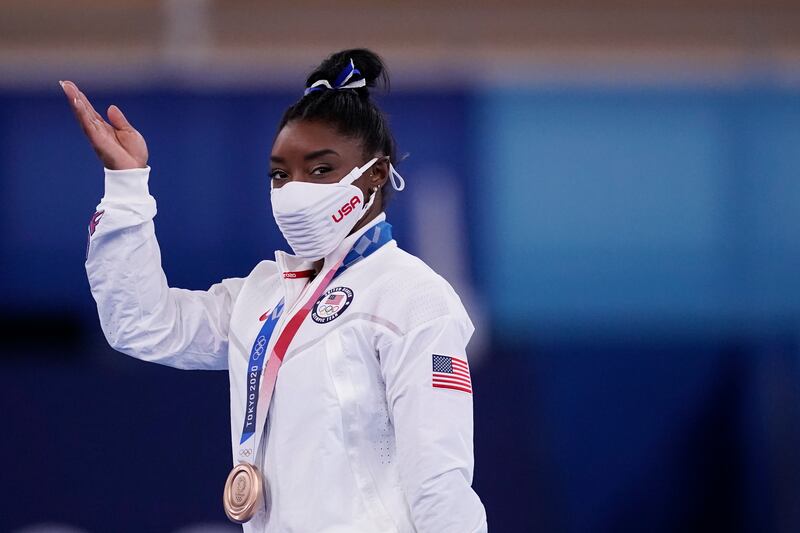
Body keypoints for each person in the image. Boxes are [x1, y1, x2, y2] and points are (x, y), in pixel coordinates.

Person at [62, 48, 487, 533]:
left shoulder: (413, 298)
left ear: (374, 174)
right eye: (280, 174)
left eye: (320, 169)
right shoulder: (263, 295)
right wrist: (126, 187)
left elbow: (439, 479)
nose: (294, 190)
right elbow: (142, 326)